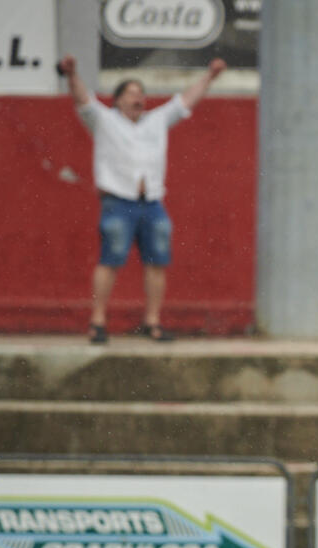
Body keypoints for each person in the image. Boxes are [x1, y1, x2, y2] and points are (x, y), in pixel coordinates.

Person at [60, 55, 226, 344]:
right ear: (118, 100)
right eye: (131, 93)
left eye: (141, 93)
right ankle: (97, 321)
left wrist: (210, 77)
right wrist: (72, 74)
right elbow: (83, 99)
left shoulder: (156, 121)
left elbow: (186, 101)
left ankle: (152, 321)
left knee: (157, 262)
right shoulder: (104, 120)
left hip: (151, 201)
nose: (138, 97)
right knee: (109, 261)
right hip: (118, 201)